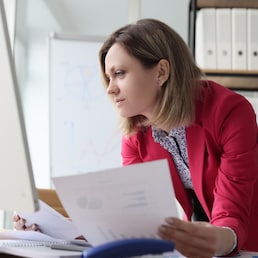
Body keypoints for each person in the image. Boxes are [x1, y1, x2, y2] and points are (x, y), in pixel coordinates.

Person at [14, 18, 258, 258]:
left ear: (161, 72)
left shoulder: (229, 112)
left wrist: (212, 239)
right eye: (109, 78)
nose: (110, 89)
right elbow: (133, 221)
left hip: (246, 243)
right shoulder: (136, 133)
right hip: (198, 246)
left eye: (119, 73)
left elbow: (231, 215)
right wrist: (56, 230)